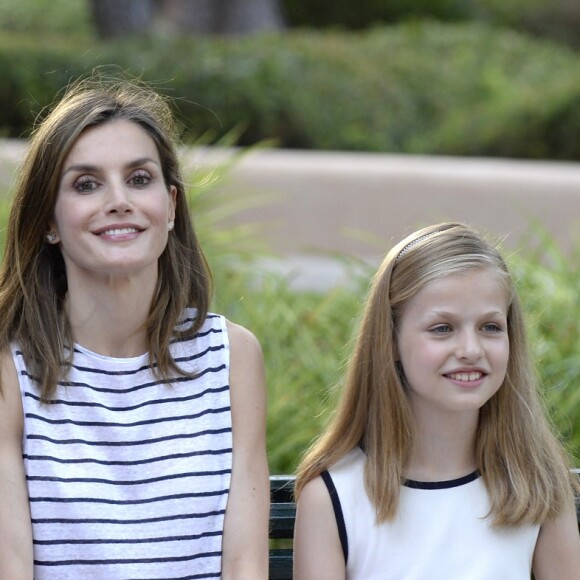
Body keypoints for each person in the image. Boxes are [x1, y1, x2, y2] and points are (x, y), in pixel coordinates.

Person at [0, 76, 269, 579]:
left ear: (170, 207)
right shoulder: (9, 368)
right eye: (86, 184)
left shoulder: (231, 358)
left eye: (139, 178)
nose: (118, 200)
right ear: (48, 222)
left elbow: (245, 564)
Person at [293, 222, 580, 580]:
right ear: (390, 340)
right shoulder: (334, 495)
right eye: (442, 328)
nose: (470, 350)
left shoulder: (536, 483)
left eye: (490, 327)